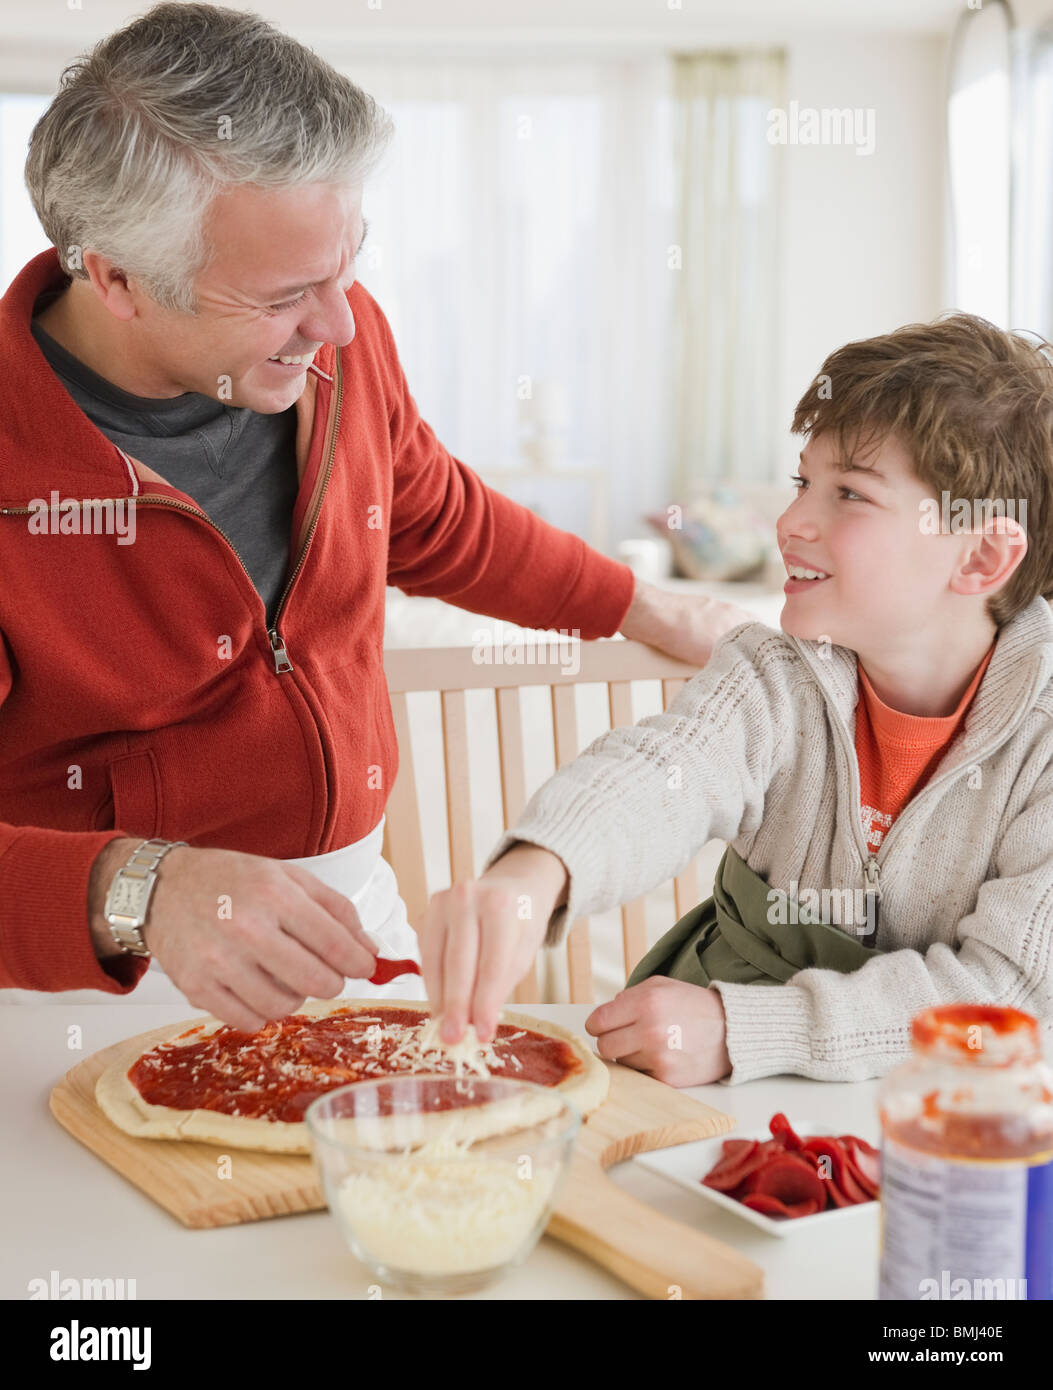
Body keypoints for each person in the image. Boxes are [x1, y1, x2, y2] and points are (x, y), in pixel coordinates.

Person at [0, 3, 750, 1027]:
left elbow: (434, 515)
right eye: (285, 294)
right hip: (84, 972)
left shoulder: (334, 343)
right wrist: (137, 890)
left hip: (355, 916)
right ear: (119, 278)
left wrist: (635, 604)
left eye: (349, 263)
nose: (342, 323)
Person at [421, 313, 1053, 1083]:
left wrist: (745, 1029)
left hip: (936, 1102)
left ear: (981, 553)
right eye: (801, 482)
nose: (790, 522)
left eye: (848, 493)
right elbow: (663, 769)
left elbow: (1004, 990)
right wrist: (537, 868)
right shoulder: (773, 675)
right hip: (700, 1075)